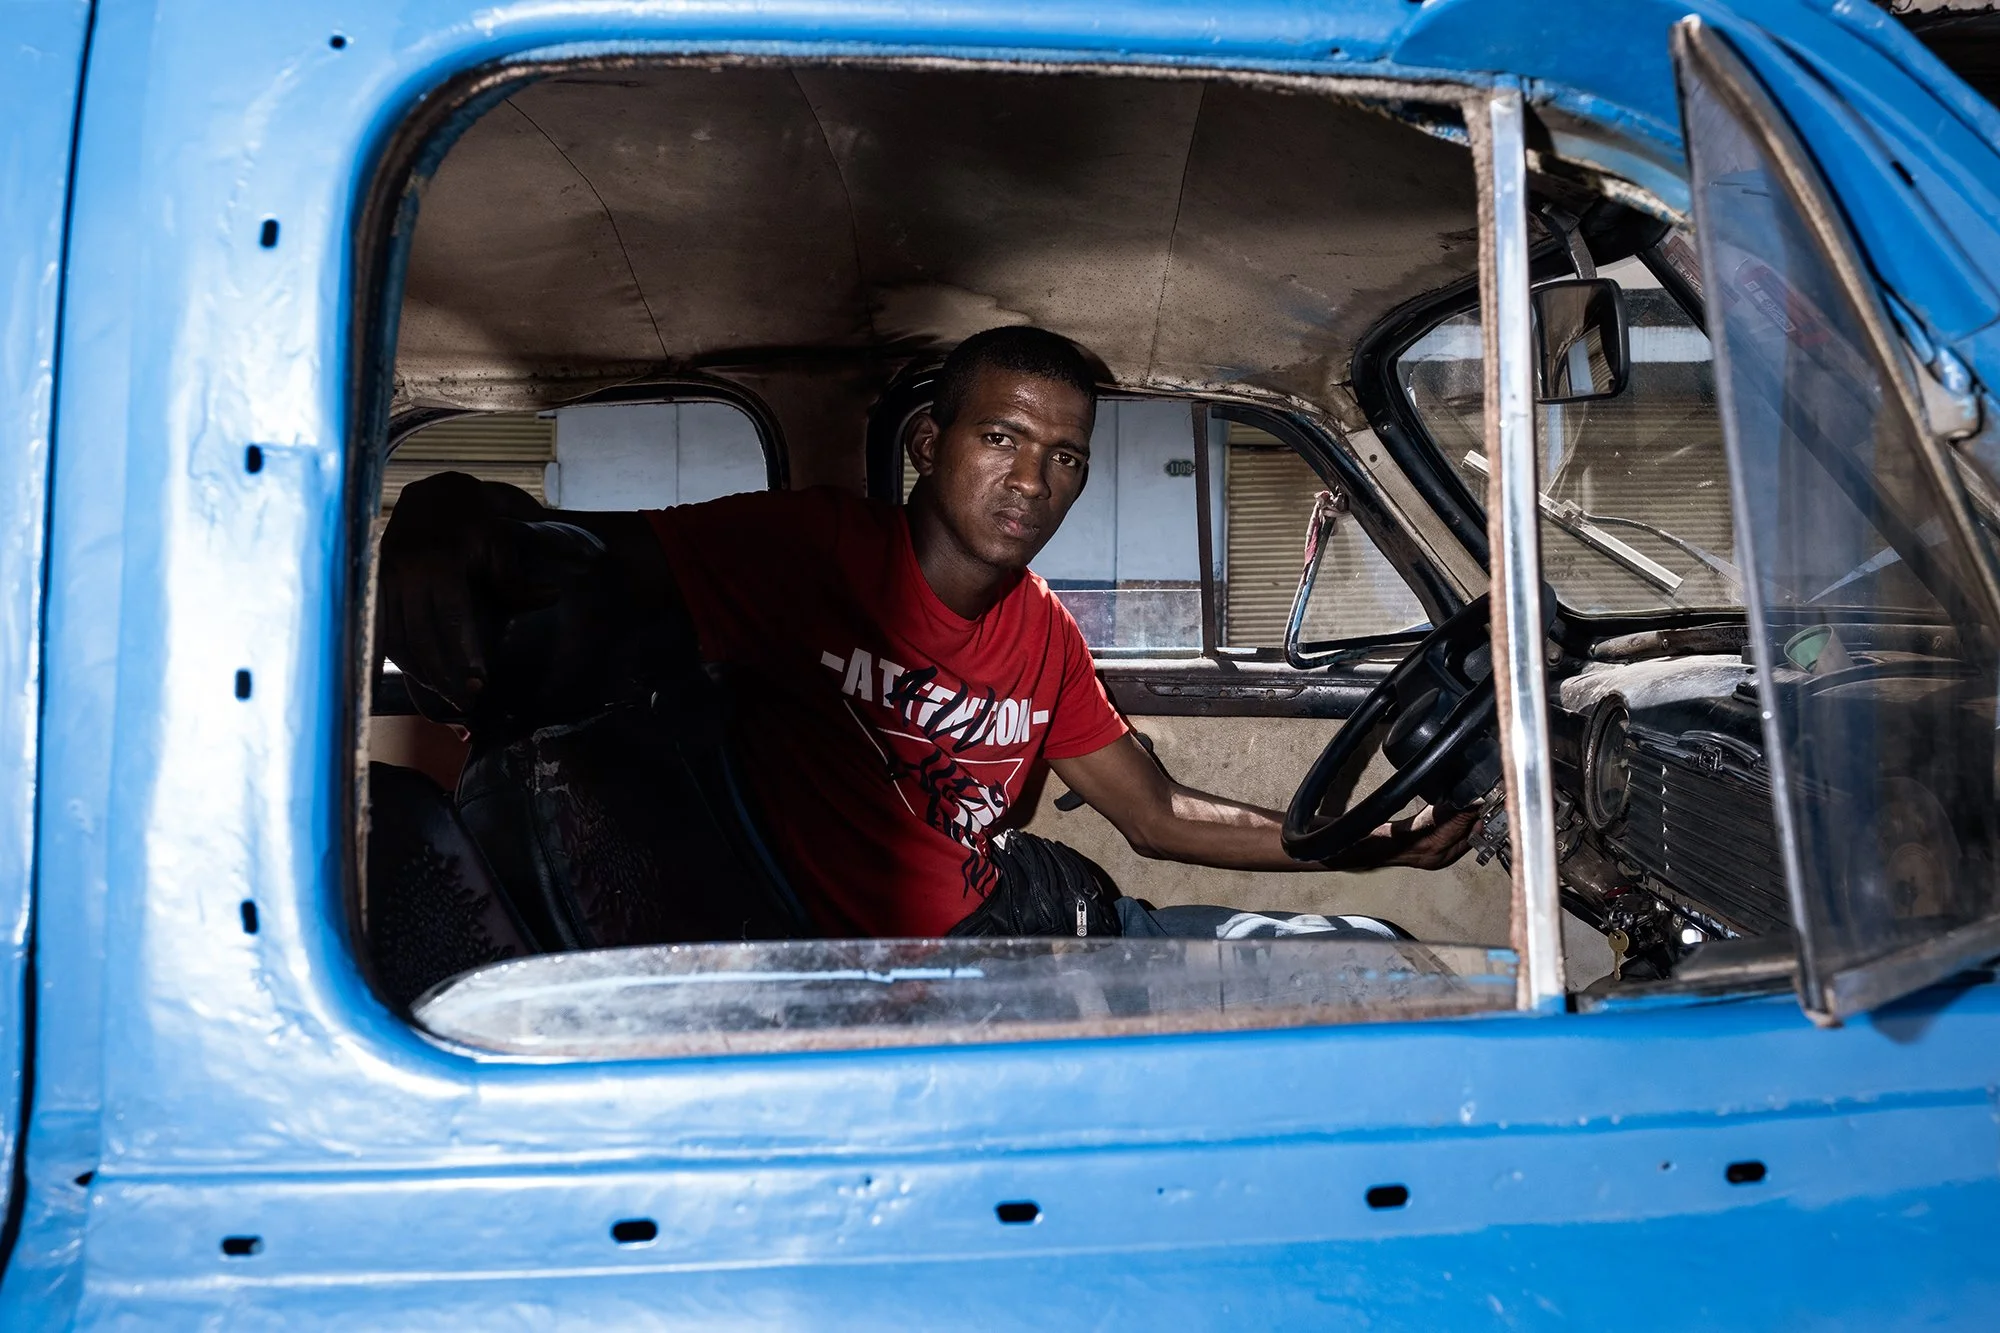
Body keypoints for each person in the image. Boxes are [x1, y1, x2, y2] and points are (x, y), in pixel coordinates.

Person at [379, 327, 1472, 941]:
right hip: (853, 952)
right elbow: (565, 552)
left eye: (1066, 456)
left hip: (1020, 908)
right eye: (1000, 436)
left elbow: (1149, 812)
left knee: (1366, 963)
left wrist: (1357, 842)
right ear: (924, 443)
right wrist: (444, 511)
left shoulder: (1044, 633)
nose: (1033, 480)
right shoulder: (809, 551)